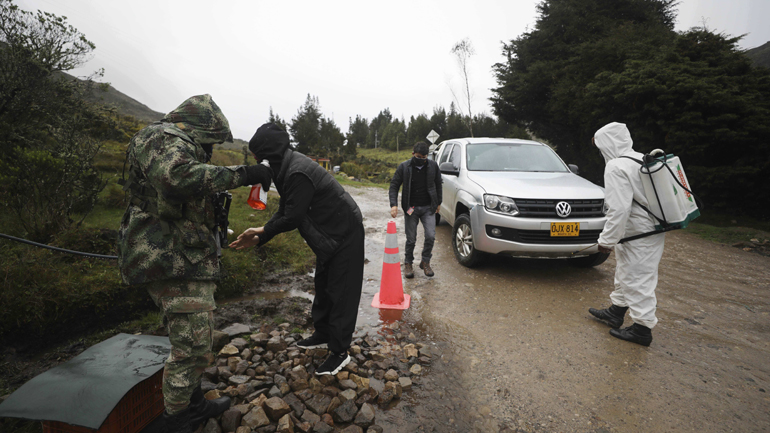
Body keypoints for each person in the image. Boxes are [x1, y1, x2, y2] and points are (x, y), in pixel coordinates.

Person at [117, 95, 272, 433]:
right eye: (210, 143)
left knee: (197, 336)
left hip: (184, 256)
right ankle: (176, 422)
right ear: (199, 129)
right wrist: (242, 173)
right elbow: (176, 178)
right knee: (191, 346)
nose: (211, 150)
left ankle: (193, 403)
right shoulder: (160, 137)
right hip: (166, 257)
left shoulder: (174, 141)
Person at [229, 123, 365, 376]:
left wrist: (264, 232)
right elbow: (286, 209)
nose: (257, 161)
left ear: (267, 154)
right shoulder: (286, 167)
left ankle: (339, 352)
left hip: (345, 230)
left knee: (342, 290)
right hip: (328, 234)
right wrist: (261, 235)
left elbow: (292, 217)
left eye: (258, 156)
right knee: (323, 283)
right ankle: (323, 333)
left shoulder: (296, 172)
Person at [588, 122, 666, 347]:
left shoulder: (616, 166)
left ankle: (642, 329)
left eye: (600, 146)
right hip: (645, 230)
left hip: (639, 233)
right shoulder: (639, 159)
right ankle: (615, 312)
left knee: (638, 277)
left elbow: (619, 209)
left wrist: (606, 241)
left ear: (608, 144)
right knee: (627, 271)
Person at [389, 141, 443, 278]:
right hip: (410, 208)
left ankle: (425, 261)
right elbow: (394, 185)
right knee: (411, 238)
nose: (421, 160)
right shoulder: (404, 167)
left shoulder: (433, 166)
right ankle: (408, 263)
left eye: (424, 157)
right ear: (413, 154)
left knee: (430, 235)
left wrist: (438, 203)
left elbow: (438, 184)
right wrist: (393, 204)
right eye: (419, 157)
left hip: (428, 208)